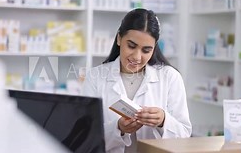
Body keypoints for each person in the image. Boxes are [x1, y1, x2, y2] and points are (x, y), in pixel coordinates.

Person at [82, 8, 192, 153]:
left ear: (154, 47)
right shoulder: (95, 77)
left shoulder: (170, 77)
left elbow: (185, 135)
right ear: (119, 39)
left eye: (146, 50)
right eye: (131, 46)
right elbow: (85, 135)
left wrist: (164, 121)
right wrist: (118, 128)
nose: (137, 57)